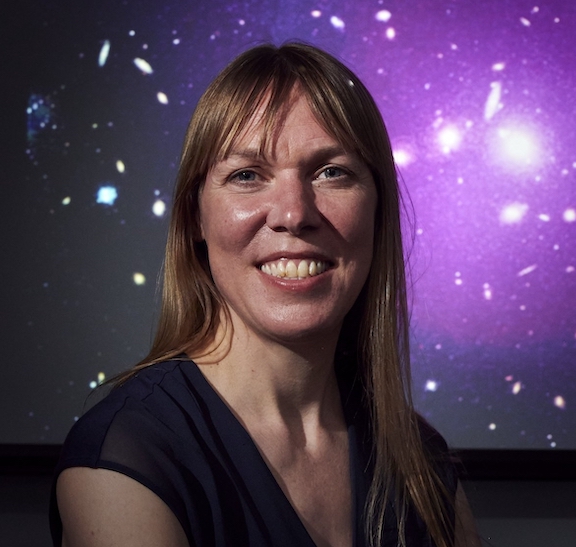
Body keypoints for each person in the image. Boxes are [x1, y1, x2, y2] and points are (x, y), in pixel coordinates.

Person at [50, 42, 480, 547]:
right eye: (247, 175)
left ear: (378, 212)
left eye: (332, 172)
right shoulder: (128, 459)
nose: (294, 213)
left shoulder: (419, 461)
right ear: (195, 219)